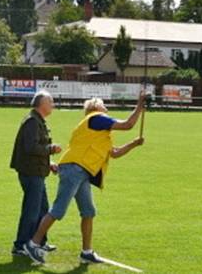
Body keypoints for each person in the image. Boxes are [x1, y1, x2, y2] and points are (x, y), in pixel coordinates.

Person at [25, 92, 147, 264]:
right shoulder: (96, 118)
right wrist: (140, 105)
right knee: (59, 209)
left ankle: (87, 252)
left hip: (81, 171)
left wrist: (133, 144)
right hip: (74, 168)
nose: (106, 108)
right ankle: (33, 244)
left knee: (89, 211)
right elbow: (128, 124)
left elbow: (115, 153)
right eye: (104, 105)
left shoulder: (99, 130)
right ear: (96, 107)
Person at [9, 91, 62, 256]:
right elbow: (31, 148)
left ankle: (38, 242)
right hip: (31, 173)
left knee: (42, 208)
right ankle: (20, 245)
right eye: (50, 101)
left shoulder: (38, 120)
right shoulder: (32, 121)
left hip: (37, 171)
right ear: (41, 104)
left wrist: (49, 163)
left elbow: (34, 149)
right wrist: (51, 150)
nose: (53, 104)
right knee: (31, 210)